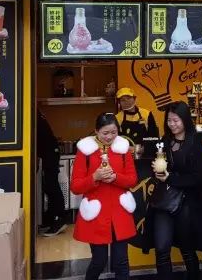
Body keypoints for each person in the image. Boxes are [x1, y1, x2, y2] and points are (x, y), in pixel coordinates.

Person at [143, 101, 202, 280]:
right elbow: (159, 168)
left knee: (187, 247)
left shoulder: (195, 143)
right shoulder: (164, 141)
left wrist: (170, 178)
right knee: (162, 248)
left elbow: (200, 177)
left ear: (185, 119)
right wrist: (157, 170)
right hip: (165, 200)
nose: (172, 124)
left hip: (188, 203)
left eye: (176, 120)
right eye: (169, 120)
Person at [71, 113, 138, 280]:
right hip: (96, 214)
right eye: (105, 133)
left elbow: (132, 180)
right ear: (96, 131)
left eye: (114, 132)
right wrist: (94, 177)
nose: (109, 137)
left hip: (119, 213)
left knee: (121, 261)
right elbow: (75, 187)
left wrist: (115, 177)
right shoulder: (85, 152)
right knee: (99, 261)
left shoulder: (123, 149)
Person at [37, 110, 67, 236]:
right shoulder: (38, 116)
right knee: (49, 187)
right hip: (48, 154)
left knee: (52, 187)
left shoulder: (35, 116)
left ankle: (59, 219)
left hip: (50, 155)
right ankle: (51, 219)